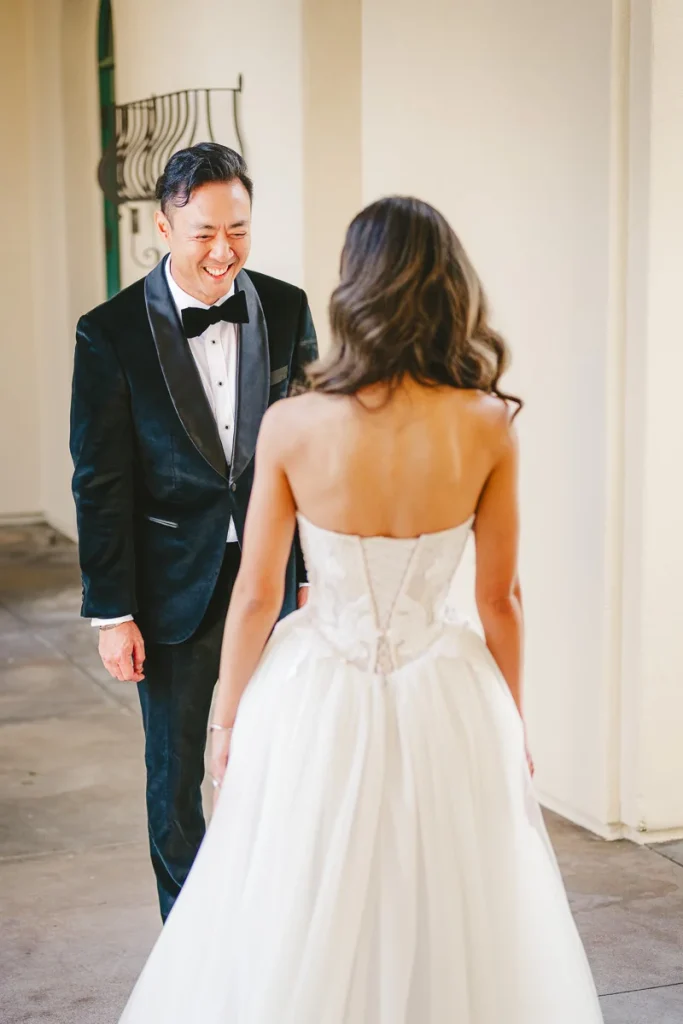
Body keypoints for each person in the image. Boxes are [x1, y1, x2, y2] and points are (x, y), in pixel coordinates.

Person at [117, 196, 604, 1023]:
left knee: (304, 889)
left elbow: (257, 594)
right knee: (450, 897)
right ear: (451, 289)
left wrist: (226, 724)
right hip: (446, 693)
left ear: (353, 291)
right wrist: (511, 722)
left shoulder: (293, 425)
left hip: (314, 690)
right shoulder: (487, 426)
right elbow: (499, 599)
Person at [69, 143, 318, 921]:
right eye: (204, 231)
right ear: (163, 223)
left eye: (238, 230)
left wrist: (311, 573)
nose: (223, 252)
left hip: (273, 582)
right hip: (169, 588)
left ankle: (272, 921)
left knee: (278, 760)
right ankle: (194, 942)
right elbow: (99, 478)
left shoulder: (284, 306)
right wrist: (112, 611)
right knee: (176, 777)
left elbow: (310, 448)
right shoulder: (107, 332)